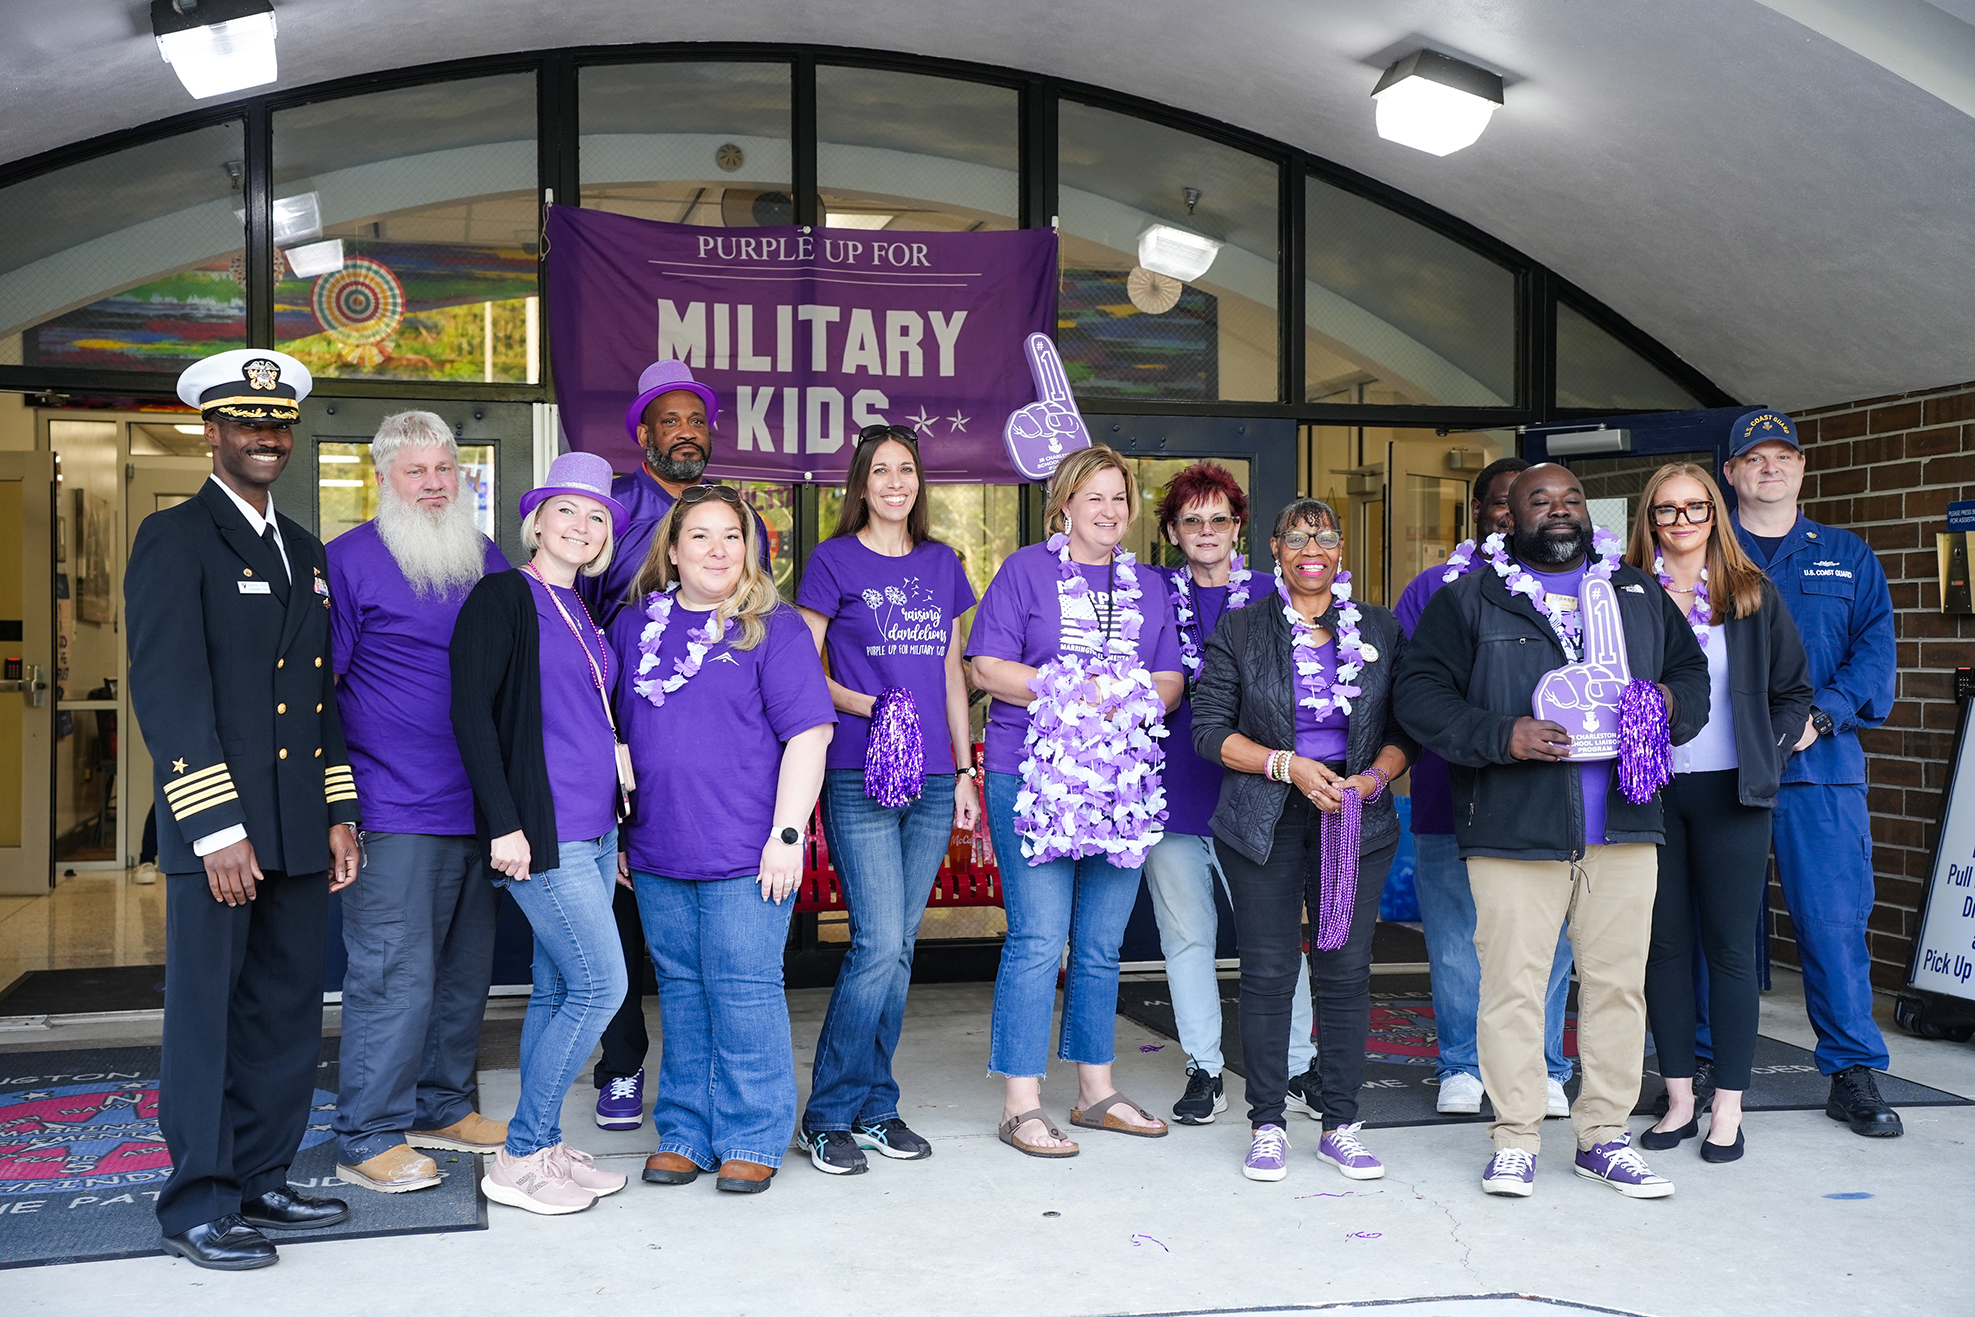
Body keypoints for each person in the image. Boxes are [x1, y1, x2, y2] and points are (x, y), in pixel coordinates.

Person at [1396, 463, 1709, 1200]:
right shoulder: (1470, 596)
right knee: (1511, 987)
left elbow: (1691, 677)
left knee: (1616, 987)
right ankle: (1514, 1137)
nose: (1558, 511)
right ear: (1509, 516)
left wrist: (1662, 702)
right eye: (1540, 500)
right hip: (1513, 826)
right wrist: (1502, 734)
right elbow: (1419, 694)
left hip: (1625, 825)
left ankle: (1603, 1136)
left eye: (1570, 500)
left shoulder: (1634, 592)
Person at [126, 349, 361, 1269]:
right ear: (211, 432)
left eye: (279, 422)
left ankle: (260, 1176)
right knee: (208, 1016)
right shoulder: (175, 539)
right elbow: (170, 690)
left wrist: (338, 809)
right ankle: (196, 1203)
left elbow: (317, 696)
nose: (267, 435)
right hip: (220, 829)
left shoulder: (302, 547)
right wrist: (215, 828)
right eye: (246, 421)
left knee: (285, 1009)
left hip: (298, 823)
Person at [609, 484, 834, 1194]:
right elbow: (613, 731)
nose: (716, 550)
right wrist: (615, 826)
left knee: (742, 989)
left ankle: (752, 1132)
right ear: (671, 549)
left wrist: (788, 835)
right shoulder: (631, 624)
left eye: (731, 536)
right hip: (656, 848)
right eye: (699, 535)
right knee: (679, 989)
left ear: (749, 549)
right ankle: (685, 1128)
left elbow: (809, 732)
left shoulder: (775, 627)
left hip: (747, 849)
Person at [967, 444, 1183, 1157]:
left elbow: (1169, 680)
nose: (1109, 511)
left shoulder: (1149, 584)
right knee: (1037, 937)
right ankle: (1019, 1103)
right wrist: (1071, 693)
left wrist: (1119, 698)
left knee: (1099, 942)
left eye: (1119, 498)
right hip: (1032, 775)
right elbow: (987, 666)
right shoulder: (1026, 570)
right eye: (1093, 497)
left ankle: (1096, 1091)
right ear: (1063, 504)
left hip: (1121, 783)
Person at [1192, 498, 1416, 1182]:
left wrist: (1372, 780)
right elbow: (1207, 729)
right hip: (1262, 818)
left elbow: (1406, 728)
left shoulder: (1378, 627)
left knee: (1344, 969)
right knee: (1266, 971)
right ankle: (1266, 1122)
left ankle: (1340, 1122)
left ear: (1340, 550)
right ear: (1274, 550)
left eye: (1322, 537)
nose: (1309, 547)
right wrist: (1284, 764)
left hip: (1353, 817)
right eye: (1295, 537)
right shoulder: (1240, 628)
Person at [580, 357, 772, 1133]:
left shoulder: (734, 516)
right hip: (618, 727)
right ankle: (621, 1068)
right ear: (643, 434)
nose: (687, 433)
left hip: (717, 755)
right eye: (671, 421)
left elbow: (757, 609)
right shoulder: (615, 509)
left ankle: (730, 1100)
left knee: (718, 961)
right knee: (620, 915)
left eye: (697, 421)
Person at [327, 410, 513, 1193]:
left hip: (479, 807)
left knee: (465, 973)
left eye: (447, 469)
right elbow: (315, 693)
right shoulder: (347, 561)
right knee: (393, 976)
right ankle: (366, 1131)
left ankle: (442, 1104)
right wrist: (335, 806)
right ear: (384, 478)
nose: (435, 484)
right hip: (391, 805)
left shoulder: (487, 557)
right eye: (418, 471)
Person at [794, 425, 979, 1174]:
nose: (894, 481)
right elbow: (801, 665)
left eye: (905, 468)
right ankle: (828, 1112)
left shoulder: (942, 564)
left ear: (917, 482)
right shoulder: (831, 560)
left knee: (900, 948)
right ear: (860, 483)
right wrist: (867, 705)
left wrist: (965, 770)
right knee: (874, 942)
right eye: (880, 469)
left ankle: (875, 1104)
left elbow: (951, 674)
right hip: (857, 770)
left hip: (933, 778)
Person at [450, 451, 631, 1214]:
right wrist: (505, 825)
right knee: (602, 985)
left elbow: (591, 715)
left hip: (595, 831)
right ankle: (520, 1152)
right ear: (537, 520)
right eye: (568, 510)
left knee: (560, 989)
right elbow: (472, 717)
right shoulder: (501, 597)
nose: (582, 525)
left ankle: (544, 1145)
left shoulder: (583, 611)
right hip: (541, 833)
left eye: (597, 517)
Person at [1627, 461, 1812, 1162]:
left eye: (1694, 507)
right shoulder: (1624, 596)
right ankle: (1678, 1098)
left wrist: (1769, 748)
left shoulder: (1750, 593)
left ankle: (1728, 1106)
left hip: (1733, 792)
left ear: (1715, 513)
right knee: (1665, 948)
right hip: (1650, 792)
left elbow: (1793, 689)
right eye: (1666, 510)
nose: (1680, 522)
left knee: (1730, 950)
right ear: (1649, 520)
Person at [1725, 410, 1902, 1137]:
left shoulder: (1845, 554)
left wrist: (1819, 716)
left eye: (1783, 456)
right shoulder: (1698, 546)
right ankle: (1707, 1064)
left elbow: (1873, 650)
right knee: (1718, 924)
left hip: (1819, 768)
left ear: (1800, 468)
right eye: (1754, 457)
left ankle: (1851, 1071)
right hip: (1719, 768)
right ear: (1730, 472)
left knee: (1833, 924)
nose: (1770, 467)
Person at [1392, 457, 1576, 1120]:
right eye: (1500, 501)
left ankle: (1545, 1063)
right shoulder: (1433, 588)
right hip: (1450, 792)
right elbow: (1414, 692)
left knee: (1548, 938)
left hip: (1547, 796)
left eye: (1523, 501)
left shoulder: (1576, 584)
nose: (1512, 512)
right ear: (1479, 510)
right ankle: (1463, 1064)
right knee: (1455, 935)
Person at [1142, 463, 1317, 1126]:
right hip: (1172, 792)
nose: (1206, 530)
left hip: (1260, 795)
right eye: (1191, 519)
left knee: (1271, 938)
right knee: (1185, 937)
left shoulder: (1277, 594)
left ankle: (1298, 1065)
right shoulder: (1151, 594)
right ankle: (1203, 1069)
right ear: (1171, 531)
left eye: (1218, 518)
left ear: (1239, 526)